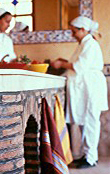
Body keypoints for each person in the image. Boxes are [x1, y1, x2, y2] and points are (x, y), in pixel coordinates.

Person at [51, 16, 108, 168]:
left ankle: (90, 158)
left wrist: (62, 63)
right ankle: (86, 155)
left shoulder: (90, 44)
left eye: (74, 31)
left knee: (90, 121)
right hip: (85, 88)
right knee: (85, 121)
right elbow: (77, 64)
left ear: (82, 30)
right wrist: (64, 61)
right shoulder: (83, 44)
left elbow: (80, 66)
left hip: (91, 87)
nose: (72, 34)